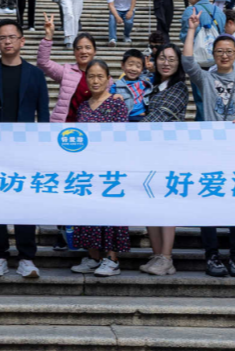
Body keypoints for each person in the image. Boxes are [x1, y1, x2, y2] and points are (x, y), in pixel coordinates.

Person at [181, 15, 235, 277]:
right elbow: (187, 62)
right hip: (210, 152)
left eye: (229, 51)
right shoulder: (206, 79)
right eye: (220, 51)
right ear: (213, 54)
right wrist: (191, 29)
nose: (224, 56)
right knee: (209, 204)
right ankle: (212, 255)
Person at [0, 19, 50, 277]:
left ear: (22, 41)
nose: (7, 41)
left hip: (26, 149)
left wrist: (43, 148)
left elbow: (43, 115)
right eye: (2, 37)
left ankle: (27, 257)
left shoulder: (35, 74)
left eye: (11, 37)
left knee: (25, 202)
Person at [68, 60, 131, 278]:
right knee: (88, 212)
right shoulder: (83, 106)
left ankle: (112, 259)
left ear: (108, 79)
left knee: (111, 212)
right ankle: (93, 257)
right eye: (91, 76)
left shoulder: (116, 103)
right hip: (86, 168)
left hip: (110, 168)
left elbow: (121, 136)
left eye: (100, 76)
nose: (95, 81)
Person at [140, 43, 189, 276]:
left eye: (171, 59)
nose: (166, 63)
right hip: (148, 153)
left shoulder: (179, 88)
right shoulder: (151, 86)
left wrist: (129, 129)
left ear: (178, 63)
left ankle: (167, 257)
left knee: (167, 204)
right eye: (162, 58)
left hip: (169, 153)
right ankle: (157, 255)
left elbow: (159, 116)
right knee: (149, 203)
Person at [37, 14, 95, 123]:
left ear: (94, 51)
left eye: (88, 48)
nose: (83, 51)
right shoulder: (67, 71)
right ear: (74, 52)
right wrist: (48, 36)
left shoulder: (103, 76)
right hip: (64, 126)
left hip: (90, 128)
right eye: (79, 48)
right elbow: (43, 62)